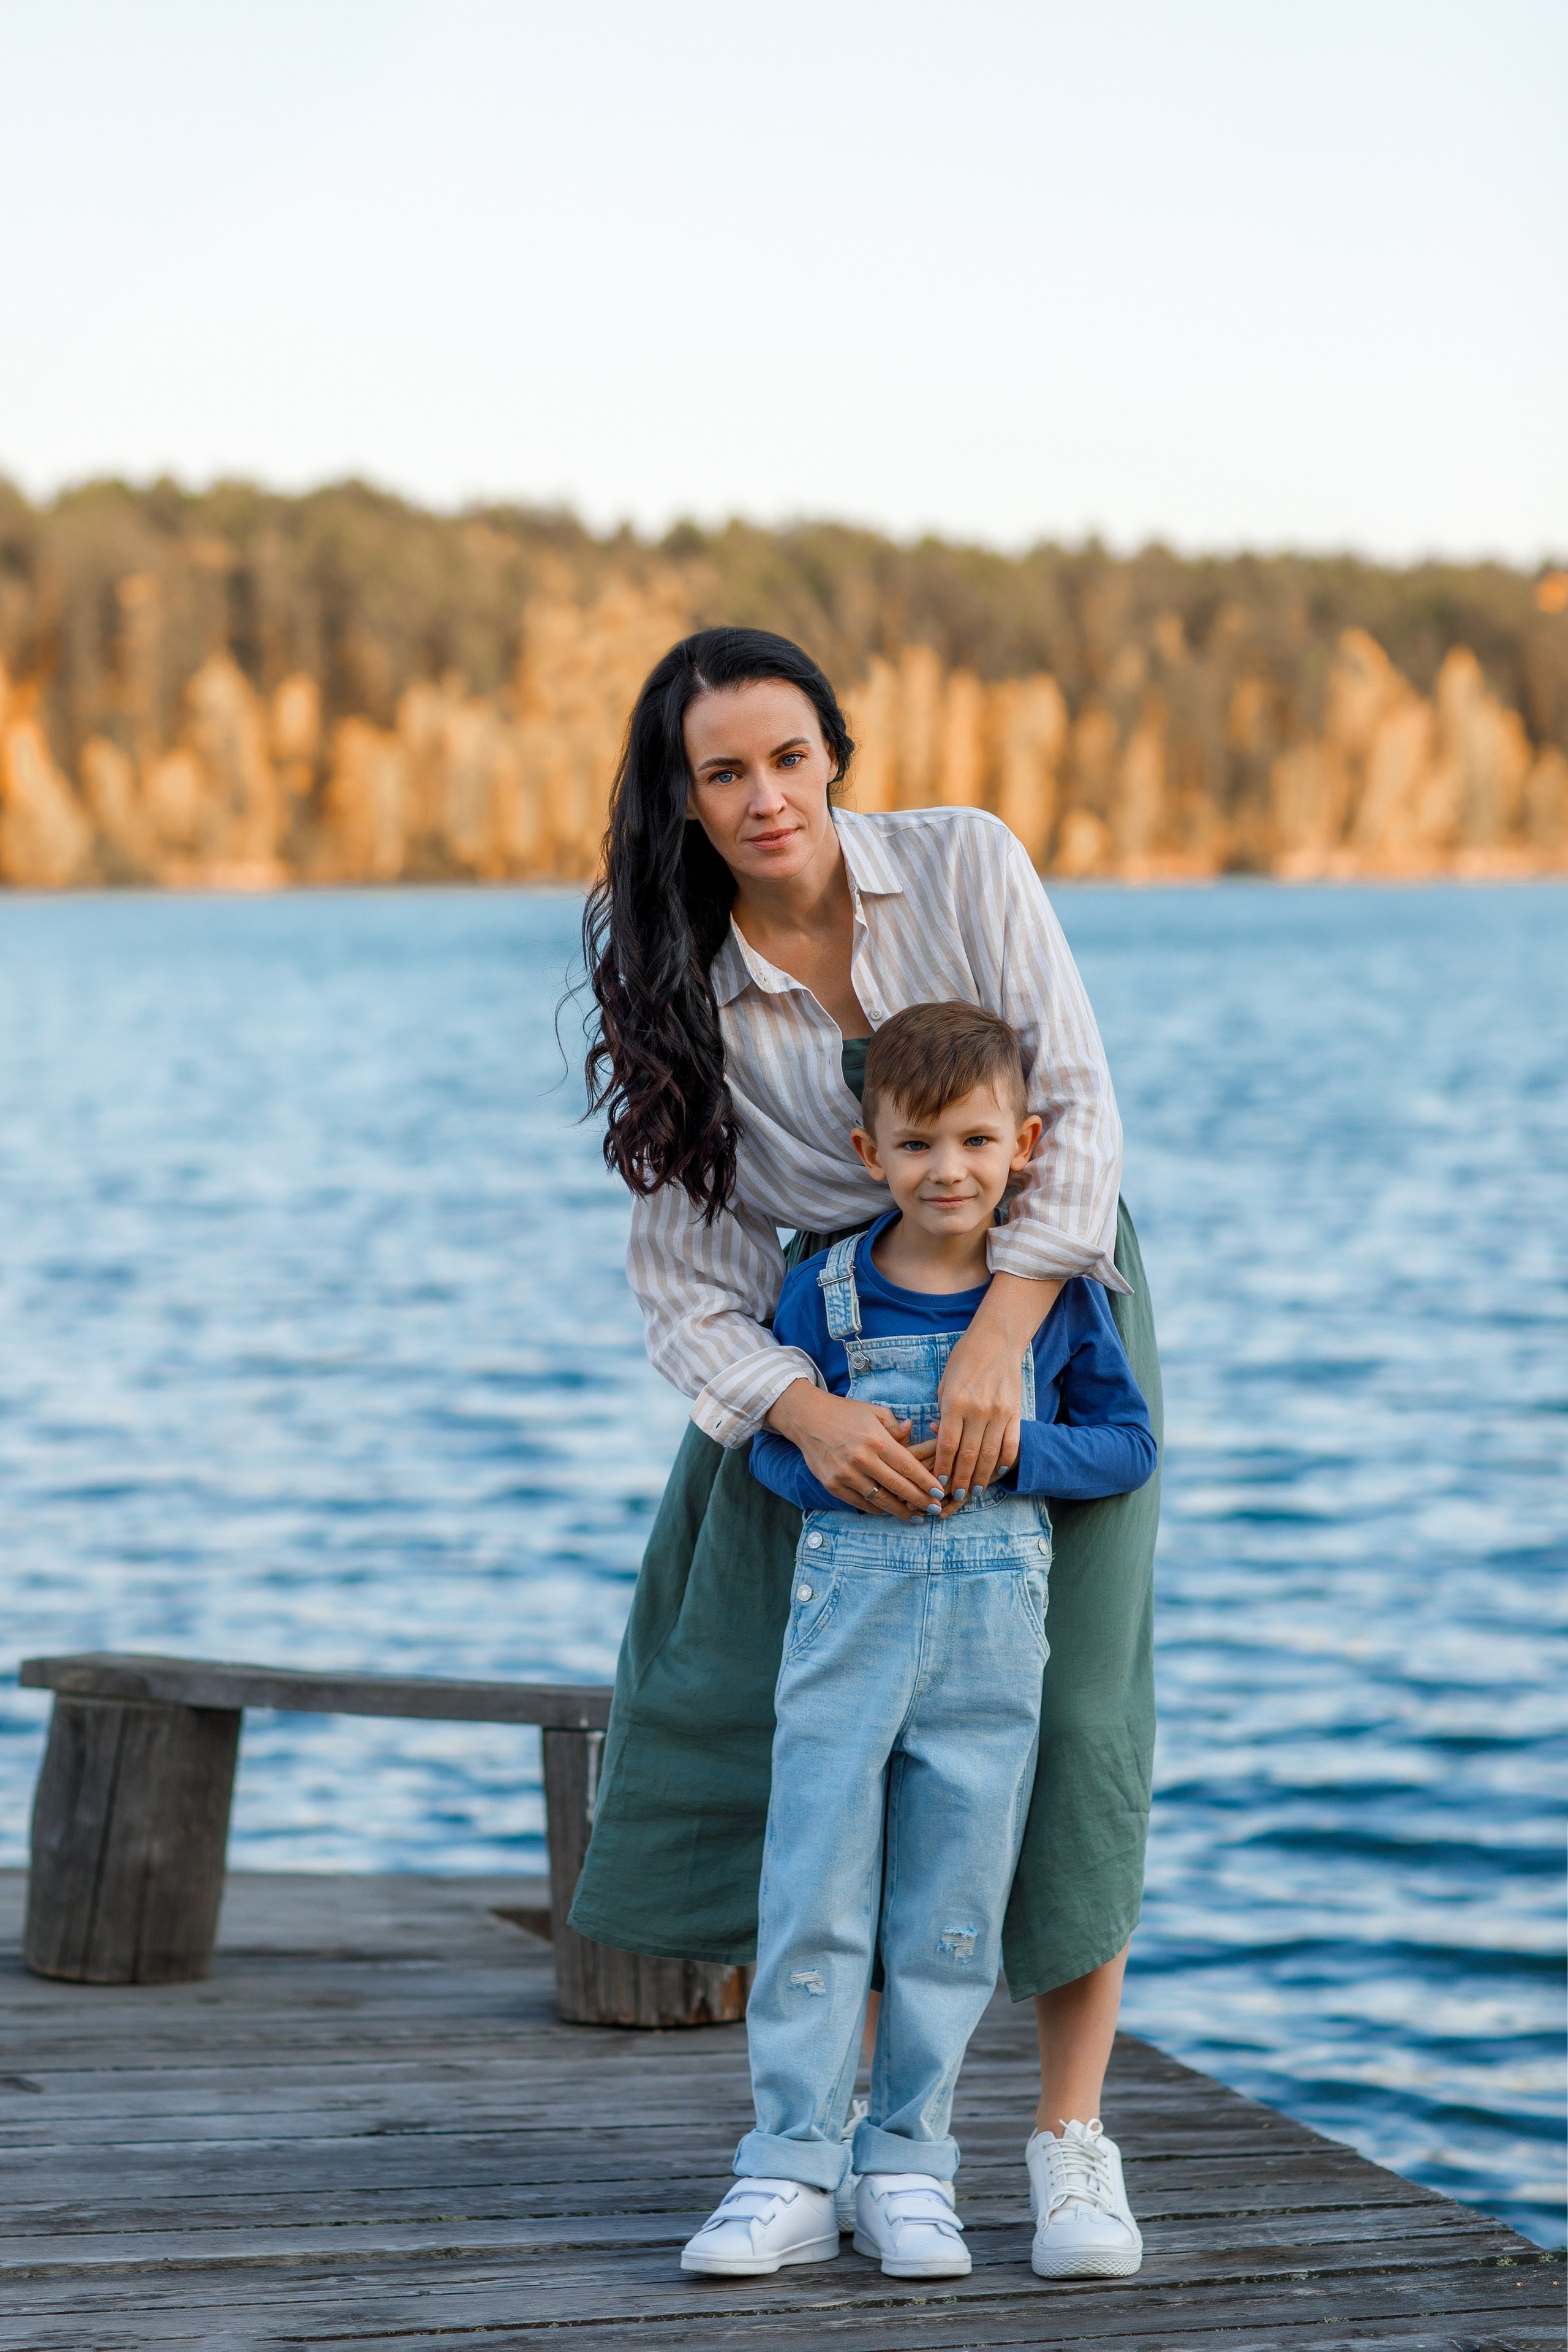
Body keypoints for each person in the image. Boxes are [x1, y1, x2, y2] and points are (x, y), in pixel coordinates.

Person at [569, 625, 1164, 2277]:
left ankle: (1066, 2142)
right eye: (724, 774)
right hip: (823, 1349)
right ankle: (814, 2148)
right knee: (767, 1726)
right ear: (683, 801)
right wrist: (806, 1412)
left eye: (790, 758)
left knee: (1071, 1722)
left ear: (835, 753)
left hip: (1049, 1301)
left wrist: (1002, 1342)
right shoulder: (675, 979)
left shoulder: (964, 861)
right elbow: (685, 1284)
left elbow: (1080, 1119)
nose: (766, 797)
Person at [679, 1001, 1155, 2280]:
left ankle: (908, 2168)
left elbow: (1126, 1446)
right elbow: (772, 1451)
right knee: (813, 1891)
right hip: (846, 1636)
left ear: (1026, 1145)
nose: (948, 1170)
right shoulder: (823, 1291)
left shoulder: (1054, 1306)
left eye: (976, 1141)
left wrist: (1017, 1452)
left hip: (992, 1650)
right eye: (917, 1144)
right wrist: (828, 1472)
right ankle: (788, 2166)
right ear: (866, 1151)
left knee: (951, 1910)